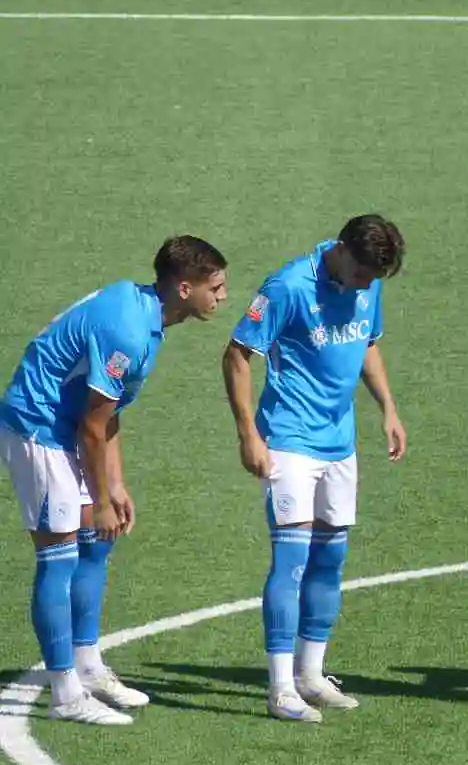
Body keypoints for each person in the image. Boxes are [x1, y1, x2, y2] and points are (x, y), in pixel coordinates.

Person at [0, 236, 229, 725]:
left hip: (70, 426)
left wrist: (116, 484)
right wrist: (103, 501)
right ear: (184, 288)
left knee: (96, 544)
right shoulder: (128, 330)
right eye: (215, 287)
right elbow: (92, 424)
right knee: (58, 556)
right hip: (39, 428)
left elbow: (107, 409)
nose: (223, 296)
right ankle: (65, 695)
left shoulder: (145, 313)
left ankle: (87, 667)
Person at [222, 215, 406, 723]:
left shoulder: (367, 283)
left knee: (331, 558)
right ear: (342, 251)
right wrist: (248, 434)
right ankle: (281, 687)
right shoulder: (288, 286)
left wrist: (388, 407)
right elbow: (237, 354)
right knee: (292, 560)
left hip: (339, 443)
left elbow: (368, 343)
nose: (367, 285)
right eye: (363, 274)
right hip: (289, 440)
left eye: (375, 278)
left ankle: (311, 674)